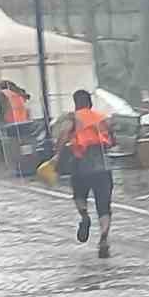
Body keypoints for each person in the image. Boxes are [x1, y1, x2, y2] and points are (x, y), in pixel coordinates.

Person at [61, 89, 115, 258]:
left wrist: (57, 156)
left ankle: (84, 216)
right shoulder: (102, 119)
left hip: (81, 164)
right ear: (90, 102)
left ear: (76, 103)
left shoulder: (74, 118)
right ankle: (104, 238)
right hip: (103, 166)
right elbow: (112, 141)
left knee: (79, 195)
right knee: (104, 205)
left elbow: (63, 138)